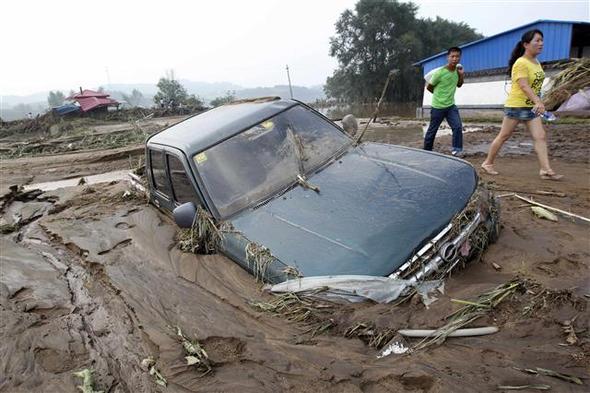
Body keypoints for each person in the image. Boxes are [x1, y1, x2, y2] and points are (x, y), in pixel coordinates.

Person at [481, 29, 562, 180]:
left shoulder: (536, 62)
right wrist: (538, 101)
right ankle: (488, 163)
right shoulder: (520, 63)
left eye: (541, 40)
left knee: (540, 136)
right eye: (537, 41)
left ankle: (546, 169)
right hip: (516, 106)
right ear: (526, 44)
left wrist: (538, 101)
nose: (541, 43)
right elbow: (524, 86)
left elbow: (535, 86)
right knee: (504, 136)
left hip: (532, 107)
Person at [423, 47, 465, 156]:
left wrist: (461, 75)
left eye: (457, 56)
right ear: (448, 57)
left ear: (460, 57)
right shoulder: (440, 73)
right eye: (452, 56)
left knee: (457, 127)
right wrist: (439, 96)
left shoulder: (458, 71)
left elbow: (459, 85)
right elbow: (429, 87)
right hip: (438, 107)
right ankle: (427, 151)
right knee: (433, 130)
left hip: (451, 106)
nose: (455, 59)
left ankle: (457, 150)